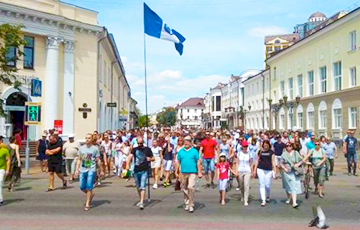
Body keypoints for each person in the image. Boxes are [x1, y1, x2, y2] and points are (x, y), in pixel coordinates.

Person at [75, 133, 104, 211]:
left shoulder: (95, 149)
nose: (87, 139)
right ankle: (90, 195)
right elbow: (79, 159)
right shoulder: (81, 148)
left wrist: (101, 170)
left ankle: (88, 203)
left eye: (89, 138)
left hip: (91, 169)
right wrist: (76, 170)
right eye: (86, 138)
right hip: (83, 169)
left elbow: (98, 160)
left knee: (89, 186)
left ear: (92, 139)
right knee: (82, 186)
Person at [175, 136, 202, 213]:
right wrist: (176, 171)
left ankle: (191, 204)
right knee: (184, 188)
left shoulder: (194, 151)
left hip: (192, 172)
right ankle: (187, 202)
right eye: (185, 141)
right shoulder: (181, 151)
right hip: (183, 172)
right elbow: (178, 162)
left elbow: (198, 162)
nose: (186, 143)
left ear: (191, 142)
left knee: (191, 187)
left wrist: (199, 172)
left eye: (188, 141)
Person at [125, 137, 154, 210]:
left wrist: (149, 159)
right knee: (138, 186)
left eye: (141, 143)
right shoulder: (135, 149)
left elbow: (153, 158)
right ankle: (141, 198)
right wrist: (127, 165)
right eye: (138, 143)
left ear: (143, 142)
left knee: (142, 186)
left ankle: (141, 202)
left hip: (144, 170)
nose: (140, 145)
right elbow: (130, 157)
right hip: (136, 170)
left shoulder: (147, 149)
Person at [280, 143, 303, 208]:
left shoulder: (296, 153)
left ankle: (294, 202)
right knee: (288, 186)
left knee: (294, 186)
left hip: (295, 171)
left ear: (292, 146)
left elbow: (302, 160)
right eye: (287, 146)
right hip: (287, 172)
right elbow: (281, 163)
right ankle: (289, 198)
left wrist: (298, 164)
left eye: (290, 146)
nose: (288, 147)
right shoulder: (284, 154)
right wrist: (284, 168)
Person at [254, 140, 276, 207]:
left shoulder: (271, 152)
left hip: (269, 170)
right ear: (262, 145)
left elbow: (273, 162)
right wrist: (254, 170)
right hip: (260, 169)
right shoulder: (260, 151)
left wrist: (274, 170)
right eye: (264, 145)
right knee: (262, 184)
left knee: (267, 185)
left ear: (269, 145)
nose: (265, 146)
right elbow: (257, 161)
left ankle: (268, 195)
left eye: (267, 145)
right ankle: (263, 200)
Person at [236, 141, 253, 206]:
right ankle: (242, 195)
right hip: (240, 170)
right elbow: (237, 162)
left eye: (246, 146)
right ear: (242, 147)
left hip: (247, 171)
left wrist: (252, 171)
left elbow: (251, 163)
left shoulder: (249, 153)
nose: (245, 147)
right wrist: (236, 170)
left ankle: (246, 200)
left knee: (246, 185)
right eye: (244, 146)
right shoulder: (239, 153)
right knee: (241, 185)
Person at [0, 136, 10, 206]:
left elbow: (8, 160)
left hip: (1, 169)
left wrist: (7, 170)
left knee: (0, 183)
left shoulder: (4, 150)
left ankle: (0, 199)